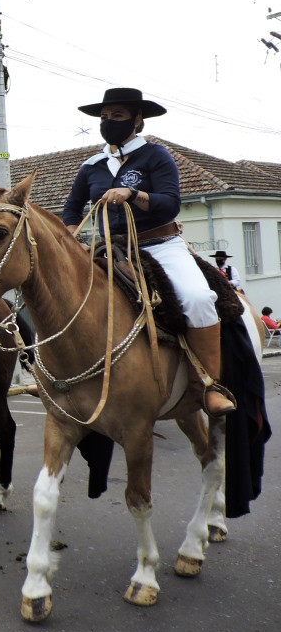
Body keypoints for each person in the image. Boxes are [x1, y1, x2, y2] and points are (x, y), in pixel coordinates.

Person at [63, 87, 234, 417]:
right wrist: (72, 238)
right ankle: (71, 378)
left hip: (160, 245)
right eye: (104, 117)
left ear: (137, 120)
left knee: (198, 298)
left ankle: (209, 385)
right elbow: (72, 210)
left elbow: (171, 203)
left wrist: (133, 193)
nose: (108, 122)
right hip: (112, 248)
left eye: (117, 116)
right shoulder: (92, 166)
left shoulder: (156, 156)